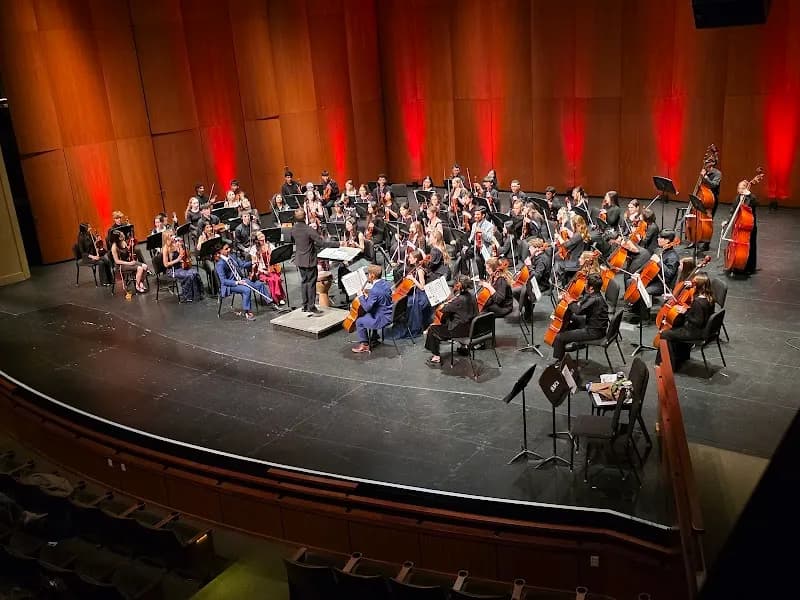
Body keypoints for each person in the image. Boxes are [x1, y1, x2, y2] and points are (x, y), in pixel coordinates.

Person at [658, 272, 715, 370]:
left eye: (694, 284)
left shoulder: (698, 302)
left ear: (698, 286)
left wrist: (685, 312)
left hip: (695, 332)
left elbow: (697, 321)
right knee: (676, 327)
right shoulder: (710, 298)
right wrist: (688, 310)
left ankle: (668, 365)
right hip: (705, 330)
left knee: (665, 334)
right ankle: (682, 356)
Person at [289, 208, 340, 314]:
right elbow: (322, 243)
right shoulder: (308, 230)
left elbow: (293, 240)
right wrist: (338, 244)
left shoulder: (293, 229)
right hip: (309, 260)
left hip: (299, 259)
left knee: (304, 282)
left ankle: (305, 305)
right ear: (305, 217)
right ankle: (311, 306)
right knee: (311, 282)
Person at [551, 273, 609, 362]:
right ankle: (568, 342)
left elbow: (578, 311)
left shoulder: (594, 300)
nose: (584, 285)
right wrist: (572, 299)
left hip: (594, 331)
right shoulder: (595, 295)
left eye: (586, 284)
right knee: (572, 318)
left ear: (591, 288)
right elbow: (582, 305)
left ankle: (559, 363)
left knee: (559, 337)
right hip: (596, 325)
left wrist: (569, 300)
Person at [424, 276, 477, 366]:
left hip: (460, 331)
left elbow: (443, 309)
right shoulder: (472, 295)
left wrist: (449, 299)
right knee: (453, 318)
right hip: (472, 328)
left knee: (432, 330)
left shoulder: (459, 300)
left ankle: (436, 357)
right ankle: (463, 347)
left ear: (459, 286)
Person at [215, 242, 274, 320]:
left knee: (259, 284)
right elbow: (223, 281)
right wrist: (237, 282)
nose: (229, 250)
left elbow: (242, 265)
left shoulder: (232, 256)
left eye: (229, 248)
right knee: (246, 290)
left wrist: (253, 262)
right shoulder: (220, 264)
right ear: (220, 251)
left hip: (240, 280)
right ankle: (247, 312)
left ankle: (270, 302)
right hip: (230, 285)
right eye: (226, 249)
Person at [351, 265, 394, 353]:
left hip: (381, 319)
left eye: (368, 274)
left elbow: (367, 307)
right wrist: (369, 294)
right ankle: (374, 337)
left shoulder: (374, 290)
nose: (367, 277)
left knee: (359, 321)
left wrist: (361, 296)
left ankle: (364, 345)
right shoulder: (386, 283)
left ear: (372, 276)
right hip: (388, 313)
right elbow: (380, 295)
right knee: (370, 313)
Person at [722, 179, 758, 275]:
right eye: (739, 188)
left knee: (751, 246)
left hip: (748, 226)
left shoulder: (751, 198)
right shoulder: (737, 198)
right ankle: (737, 263)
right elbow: (732, 211)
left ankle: (749, 267)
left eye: (742, 188)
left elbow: (753, 204)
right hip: (738, 225)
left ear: (746, 188)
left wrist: (749, 195)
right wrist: (727, 221)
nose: (740, 190)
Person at [161, 229, 203, 302]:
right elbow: (166, 264)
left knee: (195, 273)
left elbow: (184, 255)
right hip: (172, 270)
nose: (173, 237)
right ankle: (187, 295)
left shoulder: (176, 244)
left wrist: (181, 246)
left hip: (181, 267)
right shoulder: (165, 248)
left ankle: (197, 295)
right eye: (171, 236)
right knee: (190, 275)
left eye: (173, 235)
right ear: (166, 238)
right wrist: (177, 260)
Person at [399, 250, 433, 337]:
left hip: (420, 295)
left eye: (410, 257)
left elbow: (422, 287)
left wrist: (412, 279)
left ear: (415, 259)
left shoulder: (419, 270)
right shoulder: (415, 267)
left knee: (409, 303)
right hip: (416, 291)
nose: (408, 259)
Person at [250, 230, 287, 305]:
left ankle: (279, 298)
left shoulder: (270, 245)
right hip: (261, 272)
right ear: (256, 239)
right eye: (259, 235)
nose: (261, 235)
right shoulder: (254, 249)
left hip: (271, 269)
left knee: (276, 278)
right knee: (271, 279)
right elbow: (254, 264)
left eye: (262, 234)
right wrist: (263, 271)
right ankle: (275, 299)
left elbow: (275, 258)